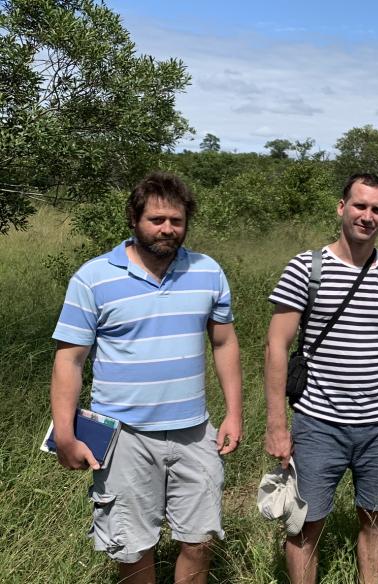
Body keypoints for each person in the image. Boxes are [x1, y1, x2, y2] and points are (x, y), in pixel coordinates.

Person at [50, 171, 243, 584]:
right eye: (156, 220)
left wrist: (234, 414)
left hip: (195, 432)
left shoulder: (208, 272)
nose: (167, 229)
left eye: (176, 220)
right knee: (133, 545)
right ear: (134, 219)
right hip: (125, 437)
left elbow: (224, 344)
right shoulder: (93, 277)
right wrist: (65, 433)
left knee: (200, 539)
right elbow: (70, 360)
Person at [263, 173, 378, 584]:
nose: (367, 216)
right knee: (303, 523)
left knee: (377, 517)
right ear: (341, 207)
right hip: (317, 422)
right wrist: (277, 425)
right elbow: (276, 346)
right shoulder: (306, 268)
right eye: (359, 206)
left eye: (377, 210)